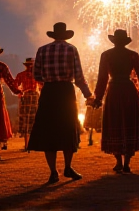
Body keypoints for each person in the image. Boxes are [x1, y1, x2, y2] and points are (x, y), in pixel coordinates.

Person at [27, 22, 93, 184]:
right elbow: (79, 77)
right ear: (66, 35)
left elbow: (36, 75)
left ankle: (53, 172)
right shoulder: (71, 49)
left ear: (53, 35)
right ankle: (68, 168)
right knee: (68, 129)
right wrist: (88, 95)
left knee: (49, 131)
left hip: (48, 92)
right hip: (66, 92)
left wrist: (49, 81)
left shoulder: (42, 50)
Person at [92, 29, 139, 173]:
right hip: (129, 89)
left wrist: (98, 97)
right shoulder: (133, 55)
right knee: (129, 121)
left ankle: (118, 162)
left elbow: (102, 78)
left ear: (114, 41)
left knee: (114, 122)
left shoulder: (106, 55)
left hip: (114, 90)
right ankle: (127, 163)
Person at [15, 58, 43, 151]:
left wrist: (20, 93)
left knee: (26, 121)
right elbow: (42, 86)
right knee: (34, 120)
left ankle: (27, 145)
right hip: (34, 97)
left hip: (26, 97)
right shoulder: (38, 75)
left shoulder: (21, 75)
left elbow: (15, 86)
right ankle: (34, 144)